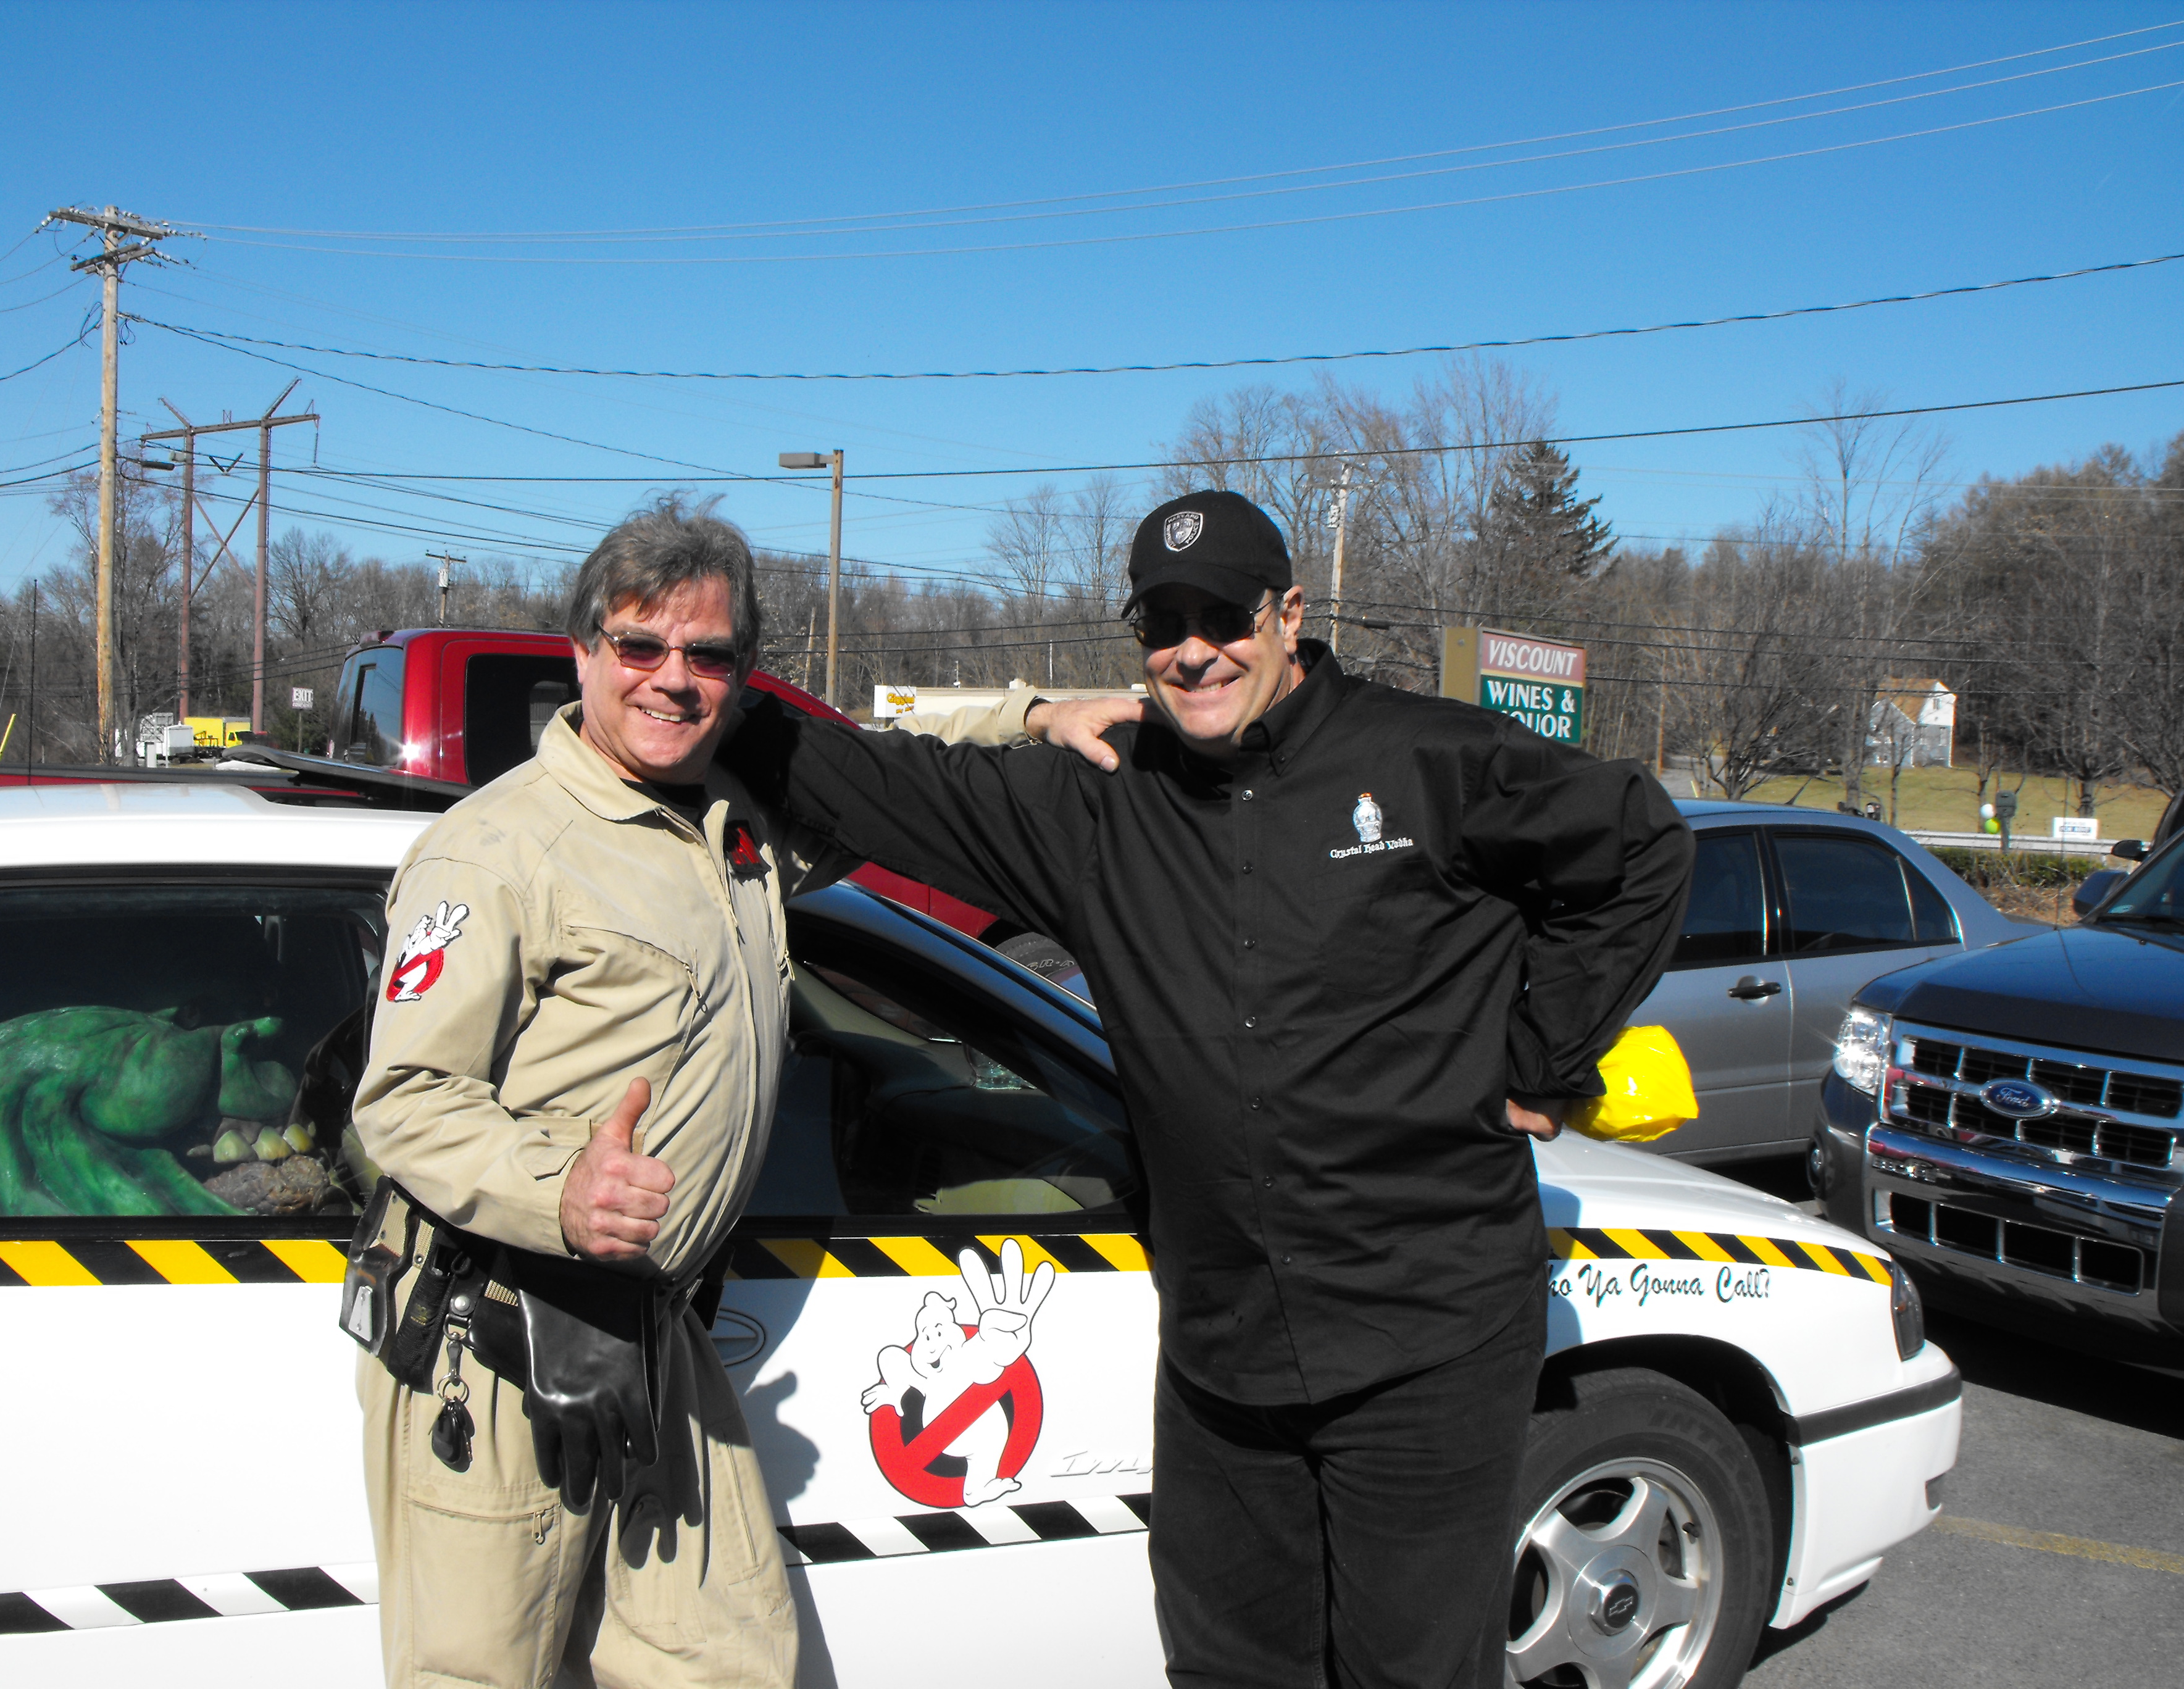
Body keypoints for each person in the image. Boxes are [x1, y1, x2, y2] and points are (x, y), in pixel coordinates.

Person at [719, 489, 1694, 1689]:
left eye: (1223, 614)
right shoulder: (1099, 802)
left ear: (1288, 614)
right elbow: (871, 783)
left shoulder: (1428, 760)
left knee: (1413, 1675)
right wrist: (683, 684)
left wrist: (1542, 1056)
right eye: (1161, 622)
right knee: (1230, 1668)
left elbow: (1643, 846)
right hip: (1226, 1358)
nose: (1192, 648)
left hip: (1428, 1336)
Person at [346, 500, 1036, 1688]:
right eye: (639, 646)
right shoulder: (497, 849)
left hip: (652, 1331)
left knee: (728, 1661)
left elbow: (889, 754)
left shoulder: (737, 829)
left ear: (742, 674)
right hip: (494, 1335)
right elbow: (404, 1095)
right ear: (583, 652)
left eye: (708, 655)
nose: (673, 680)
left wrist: (1041, 712)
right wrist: (560, 1188)